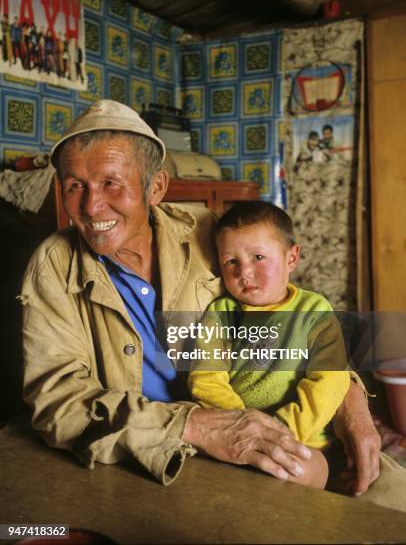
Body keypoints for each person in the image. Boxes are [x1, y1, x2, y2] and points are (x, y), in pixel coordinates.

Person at [21, 100, 385, 502]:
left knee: (377, 497)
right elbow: (57, 404)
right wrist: (193, 425)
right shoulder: (53, 267)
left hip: (263, 425)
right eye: (75, 186)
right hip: (156, 449)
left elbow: (296, 321)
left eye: (111, 183)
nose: (91, 207)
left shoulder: (210, 232)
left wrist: (352, 403)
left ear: (155, 187)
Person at [188, 202, 350, 489]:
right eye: (231, 262)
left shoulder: (315, 310)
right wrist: (244, 429)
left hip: (305, 439)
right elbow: (206, 379)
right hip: (238, 440)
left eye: (258, 257)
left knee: (294, 477)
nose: (244, 272)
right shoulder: (220, 314)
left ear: (291, 258)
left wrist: (284, 430)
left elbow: (330, 379)